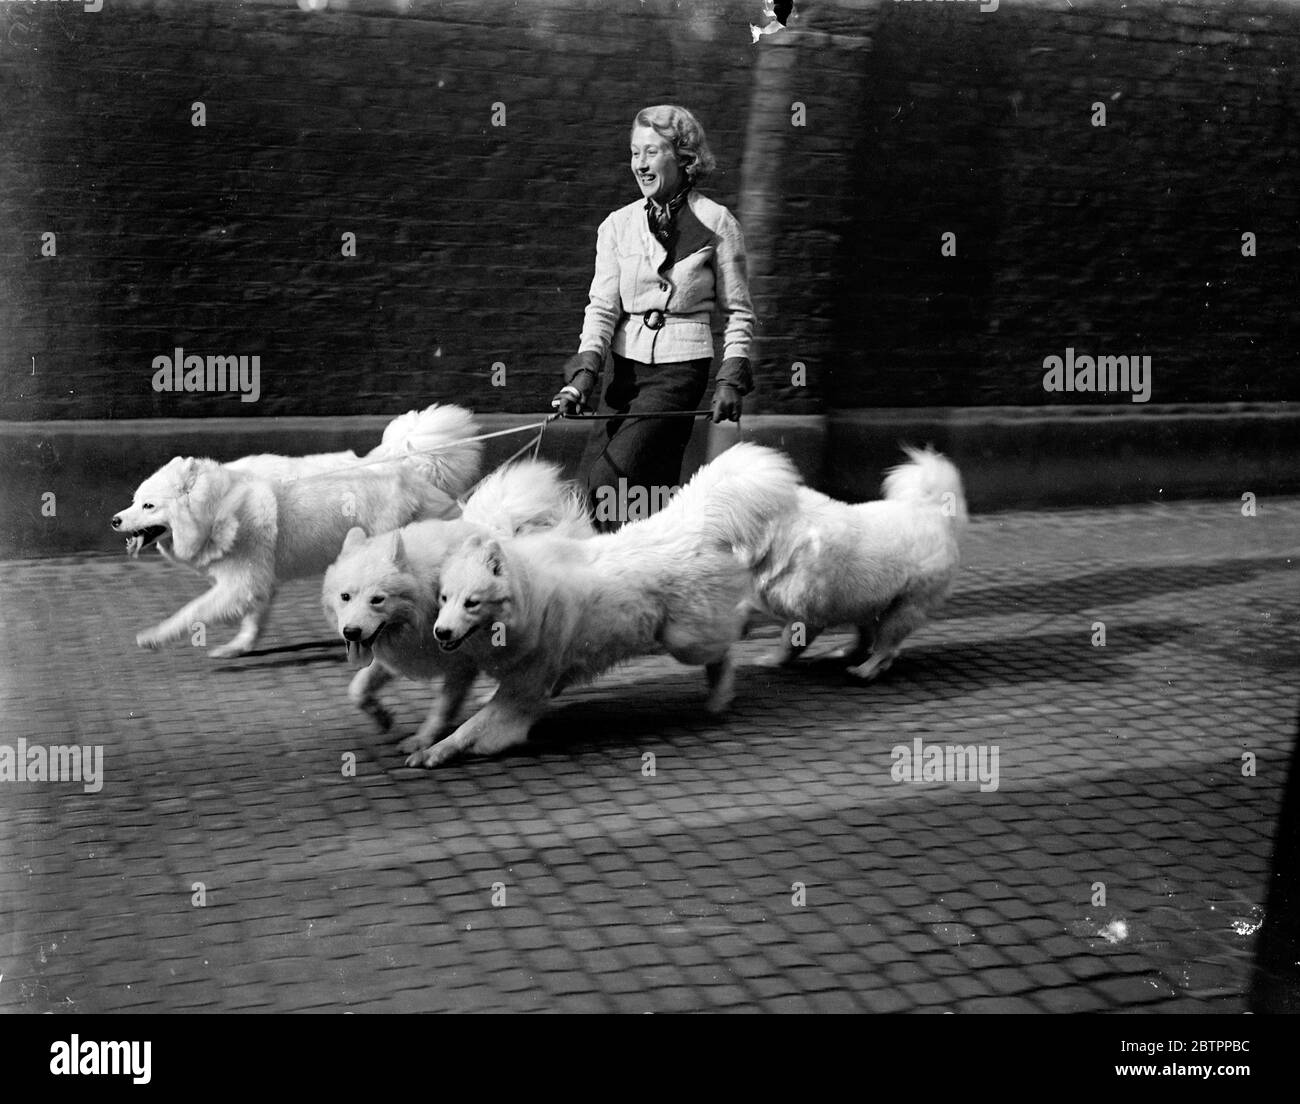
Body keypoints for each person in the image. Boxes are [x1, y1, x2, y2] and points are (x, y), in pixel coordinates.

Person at [550, 104, 756, 527]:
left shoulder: (717, 222)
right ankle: (645, 570)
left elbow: (739, 311)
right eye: (634, 153)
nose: (640, 164)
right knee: (640, 487)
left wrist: (730, 378)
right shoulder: (616, 225)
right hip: (623, 371)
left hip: (680, 371)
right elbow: (602, 307)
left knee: (610, 481)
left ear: (683, 157)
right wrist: (585, 373)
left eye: (651, 152)